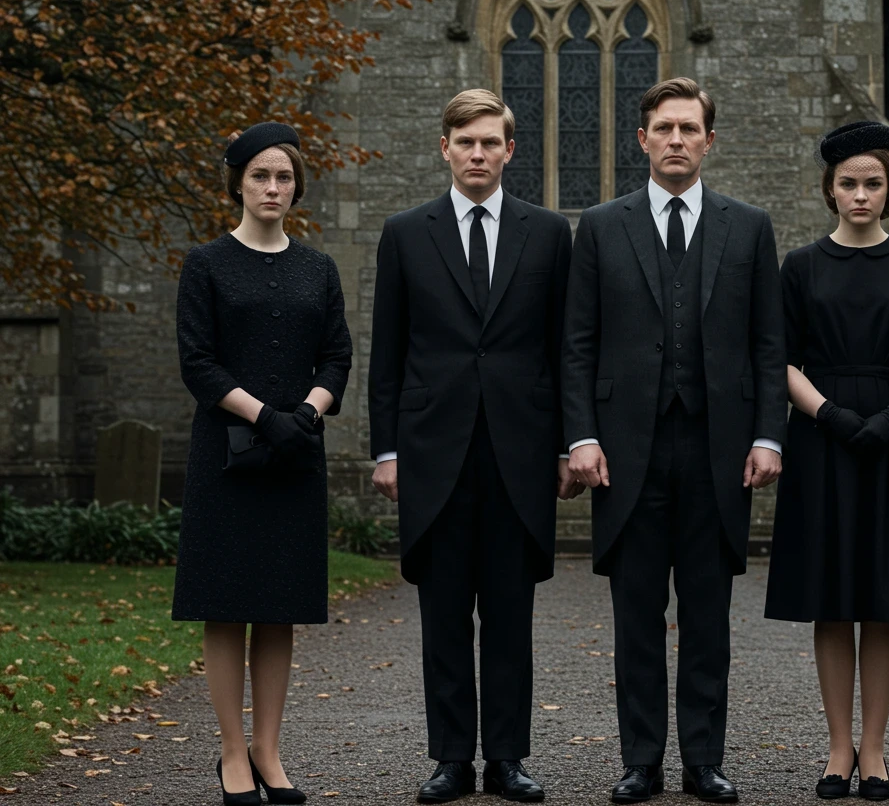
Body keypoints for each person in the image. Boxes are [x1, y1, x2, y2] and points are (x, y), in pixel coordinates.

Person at [561, 77, 788, 804]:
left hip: (720, 448)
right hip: (625, 451)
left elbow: (766, 343)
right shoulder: (599, 225)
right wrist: (582, 437)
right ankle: (641, 762)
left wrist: (768, 436)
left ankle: (703, 761)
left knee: (708, 615)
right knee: (635, 615)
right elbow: (577, 342)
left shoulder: (747, 227)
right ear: (643, 139)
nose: (676, 141)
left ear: (709, 140)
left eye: (689, 129)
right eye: (664, 128)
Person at [367, 89, 577, 804]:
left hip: (520, 451)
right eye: (466, 142)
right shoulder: (405, 232)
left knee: (511, 616)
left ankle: (508, 759)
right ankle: (453, 758)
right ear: (445, 149)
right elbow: (388, 354)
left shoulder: (548, 234)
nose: (478, 153)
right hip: (434, 452)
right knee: (446, 613)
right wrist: (386, 450)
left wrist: (565, 445)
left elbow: (561, 350)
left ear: (510, 150)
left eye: (491, 142)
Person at [764, 122, 889, 801]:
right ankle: (837, 748)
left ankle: (874, 749)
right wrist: (830, 415)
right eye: (848, 183)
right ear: (830, 190)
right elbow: (780, 358)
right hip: (823, 434)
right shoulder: (801, 266)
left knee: (883, 600)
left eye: (872, 183)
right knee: (831, 598)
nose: (860, 194)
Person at [173, 122, 353, 806]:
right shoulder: (207, 264)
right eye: (260, 176)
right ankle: (230, 755)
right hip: (226, 457)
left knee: (279, 609)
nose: (273, 187)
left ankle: (269, 752)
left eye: (283, 177)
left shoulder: (317, 268)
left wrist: (305, 413)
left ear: (296, 186)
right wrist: (261, 415)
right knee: (227, 607)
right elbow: (197, 362)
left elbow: (337, 354)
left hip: (295, 456)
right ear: (239, 184)